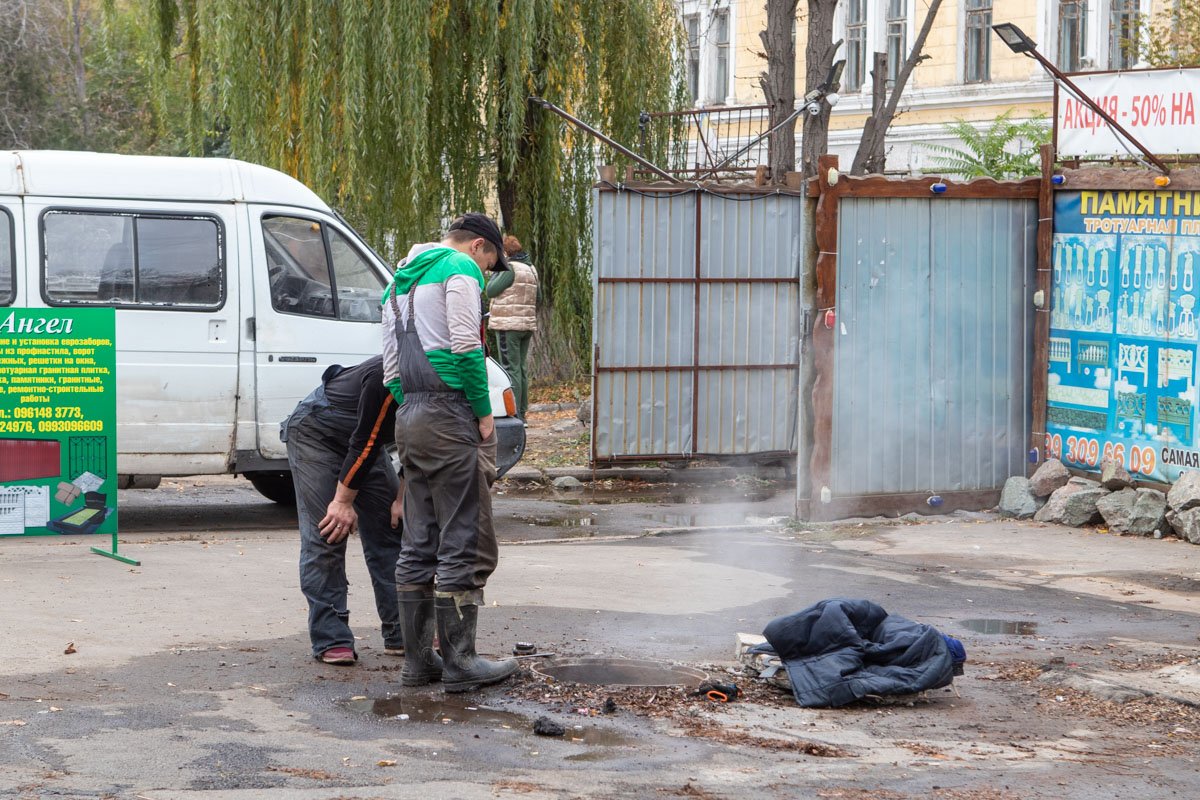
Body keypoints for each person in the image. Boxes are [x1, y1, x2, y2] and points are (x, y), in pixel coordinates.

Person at [381, 212, 519, 693]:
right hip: (451, 413)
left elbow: (391, 370)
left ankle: (419, 663)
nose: (486, 274)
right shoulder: (458, 270)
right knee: (464, 535)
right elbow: (465, 346)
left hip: (410, 418)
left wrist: (413, 408)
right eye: (489, 264)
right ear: (478, 246)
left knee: (419, 540)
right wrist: (482, 412)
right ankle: (461, 662)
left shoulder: (397, 281)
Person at [280, 356, 404, 665]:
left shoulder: (448, 385)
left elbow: (422, 444)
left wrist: (403, 496)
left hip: (365, 443)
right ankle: (331, 638)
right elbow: (365, 443)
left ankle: (404, 631)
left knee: (393, 527)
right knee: (329, 533)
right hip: (318, 432)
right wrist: (342, 501)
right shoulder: (389, 375)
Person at [486, 235, 540, 418]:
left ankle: (515, 414)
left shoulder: (509, 268)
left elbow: (490, 290)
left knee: (510, 369)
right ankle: (522, 411)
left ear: (505, 252)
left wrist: (495, 273)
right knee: (521, 368)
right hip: (526, 325)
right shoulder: (531, 268)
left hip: (508, 325)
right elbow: (538, 297)